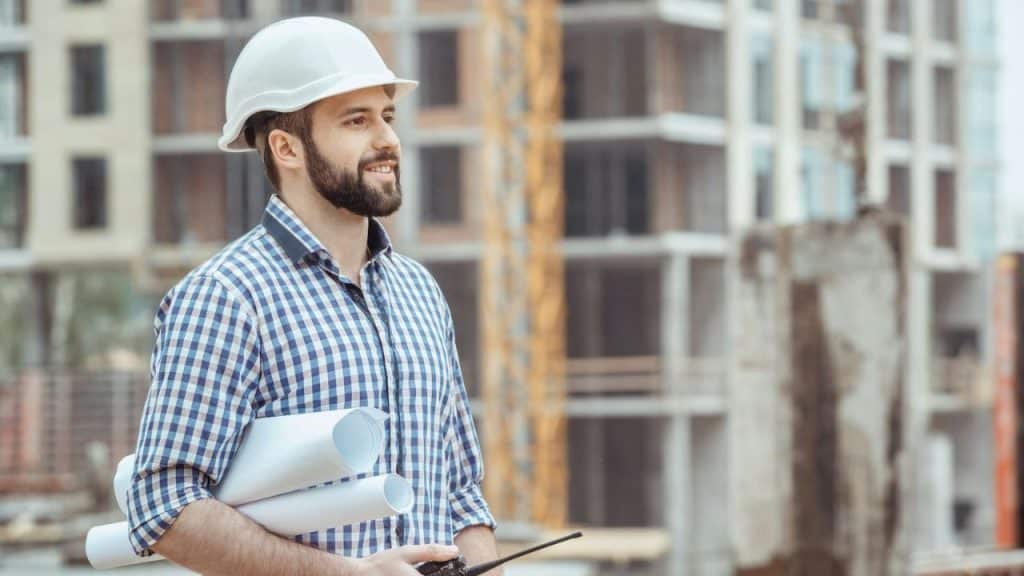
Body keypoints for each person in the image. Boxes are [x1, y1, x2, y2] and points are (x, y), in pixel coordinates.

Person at [126, 16, 499, 575]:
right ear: (287, 148)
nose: (387, 139)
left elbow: (462, 491)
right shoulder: (226, 297)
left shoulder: (419, 292)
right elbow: (163, 506)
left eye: (388, 117)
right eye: (356, 121)